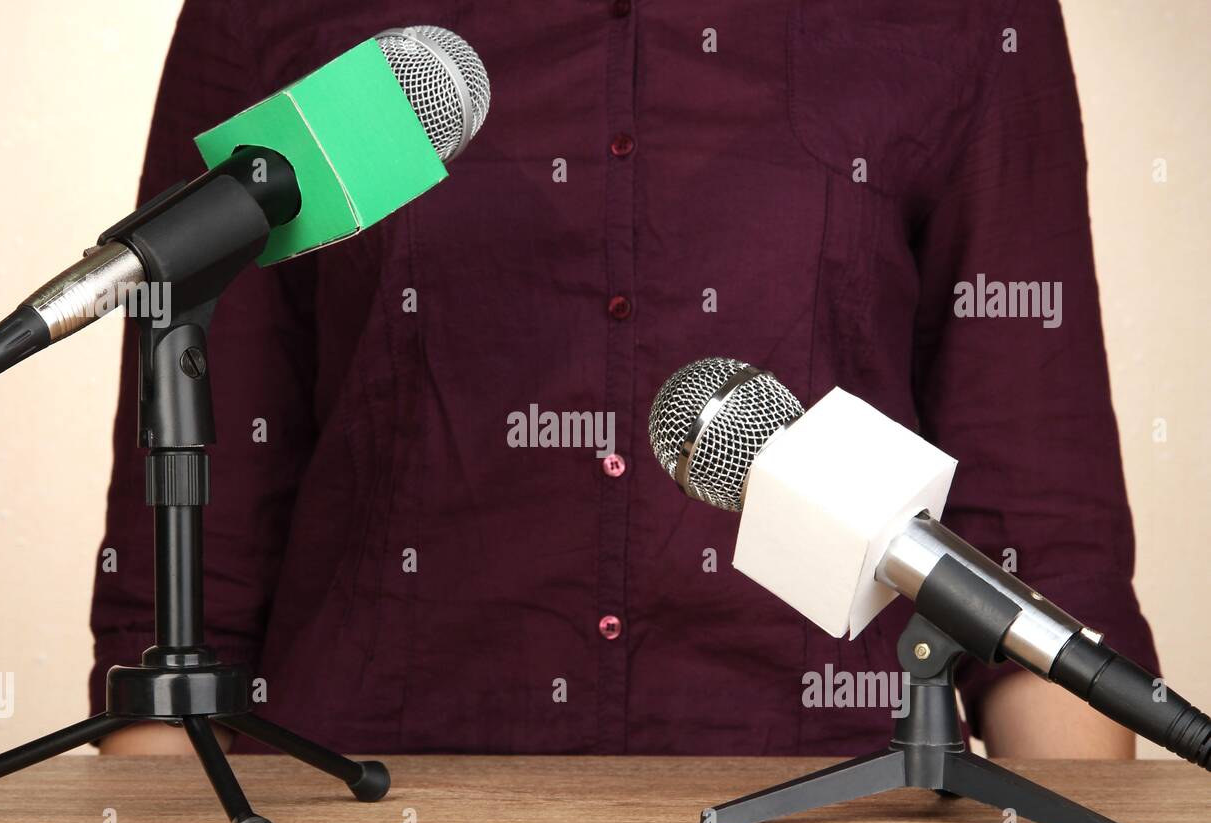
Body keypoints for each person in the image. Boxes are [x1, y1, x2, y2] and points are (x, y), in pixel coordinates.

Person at [94, 0, 1155, 758]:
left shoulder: (965, 18)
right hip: (360, 801)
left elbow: (1037, 534)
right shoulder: (276, 16)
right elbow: (187, 564)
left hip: (829, 805)